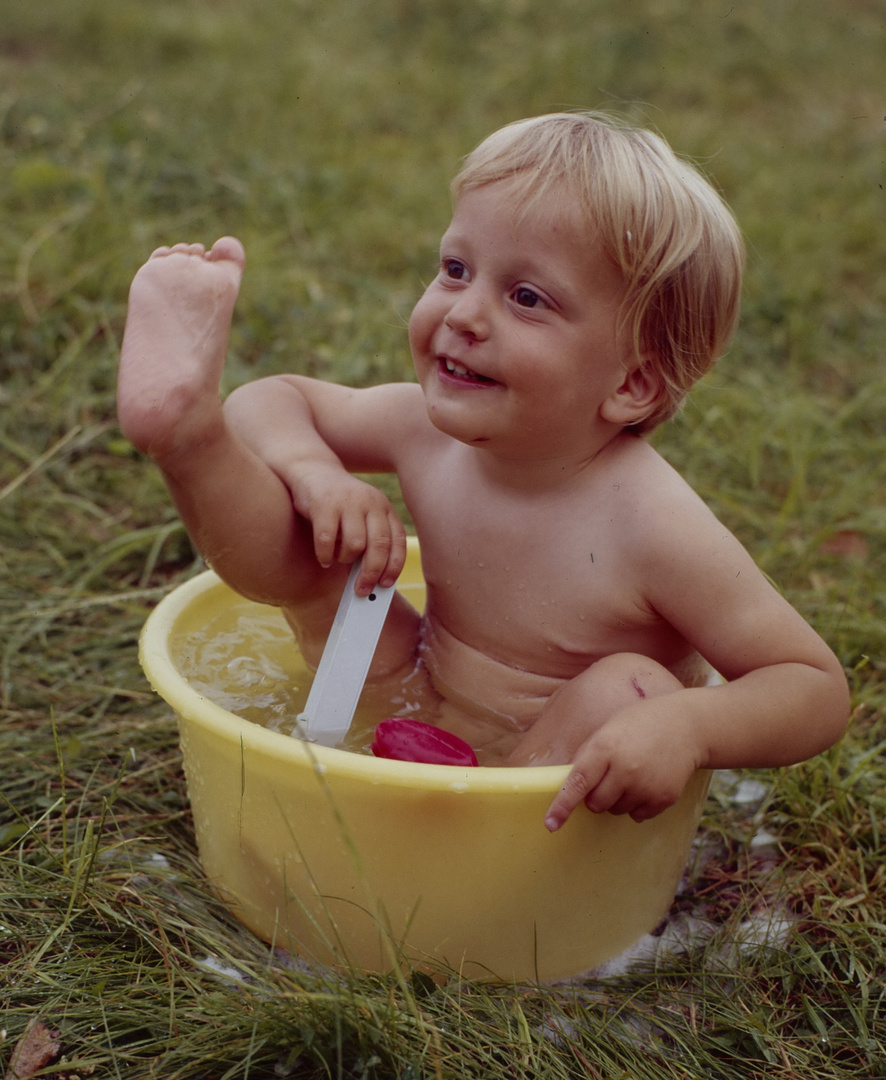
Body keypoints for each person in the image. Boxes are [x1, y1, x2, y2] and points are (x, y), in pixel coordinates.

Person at [117, 112, 849, 832]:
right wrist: (319, 476)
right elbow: (274, 400)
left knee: (626, 692)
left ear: (632, 384)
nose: (464, 312)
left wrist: (687, 727)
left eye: (527, 298)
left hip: (551, 784)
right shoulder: (427, 434)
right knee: (328, 553)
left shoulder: (653, 525)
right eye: (456, 268)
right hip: (413, 684)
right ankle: (189, 438)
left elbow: (813, 688)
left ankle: (473, 863)